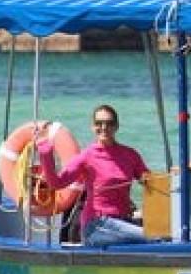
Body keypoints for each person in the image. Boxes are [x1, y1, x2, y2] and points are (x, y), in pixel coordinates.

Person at [37, 104, 151, 247]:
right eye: (99, 123)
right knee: (152, 237)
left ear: (116, 126)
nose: (104, 127)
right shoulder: (87, 156)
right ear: (92, 126)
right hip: (96, 225)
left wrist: (174, 176)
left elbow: (151, 182)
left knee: (162, 235)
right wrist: (45, 150)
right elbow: (56, 183)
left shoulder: (130, 155)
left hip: (123, 221)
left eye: (109, 123)